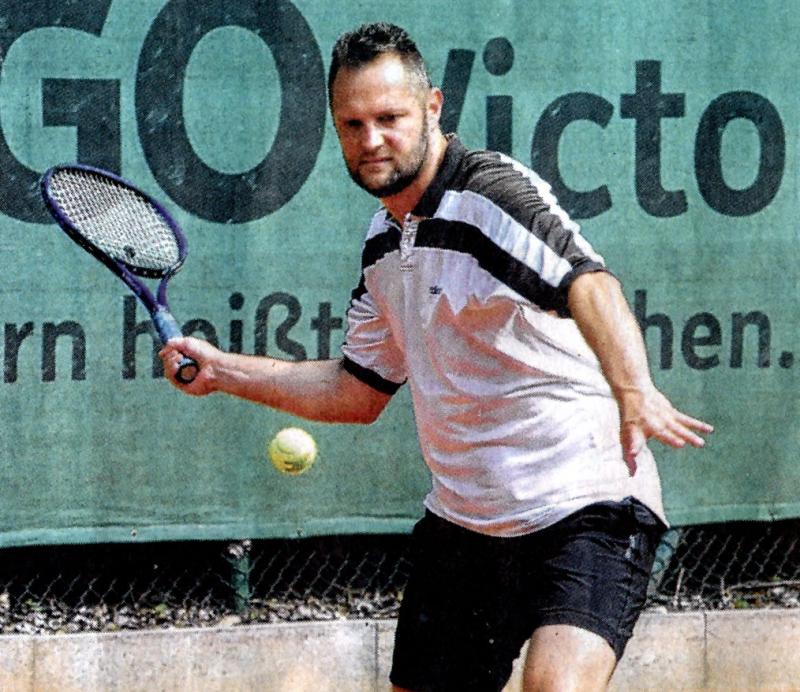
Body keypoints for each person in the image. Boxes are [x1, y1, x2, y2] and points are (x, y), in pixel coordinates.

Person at [161, 22, 713, 692]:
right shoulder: (384, 244)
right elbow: (356, 391)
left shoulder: (489, 196)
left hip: (586, 503)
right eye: (352, 124)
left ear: (432, 108)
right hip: (466, 524)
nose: (371, 140)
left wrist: (634, 390)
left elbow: (589, 284)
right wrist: (222, 371)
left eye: (389, 118)